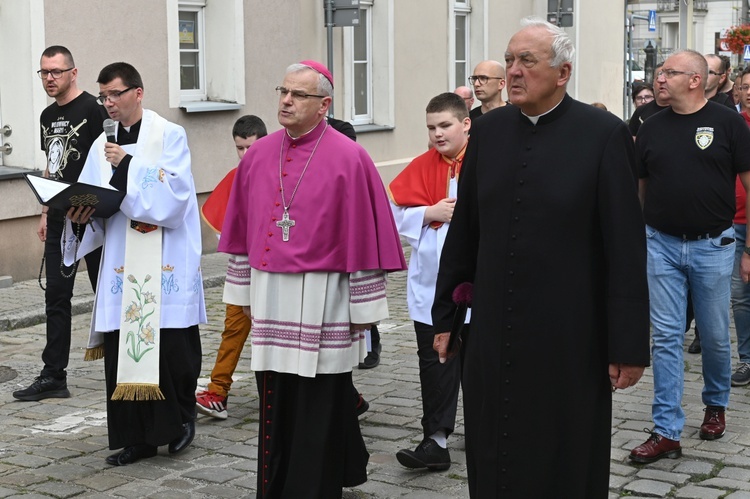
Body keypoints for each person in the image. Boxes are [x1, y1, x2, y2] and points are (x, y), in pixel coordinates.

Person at [431, 18, 650, 497]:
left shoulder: (603, 134)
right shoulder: (487, 133)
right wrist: (445, 313)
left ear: (562, 72)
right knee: (493, 444)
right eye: (509, 60)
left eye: (526, 61)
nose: (512, 71)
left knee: (564, 450)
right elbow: (465, 228)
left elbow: (625, 246)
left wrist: (628, 344)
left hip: (569, 334)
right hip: (492, 326)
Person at [217, 60, 406, 498]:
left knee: (321, 400)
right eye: (283, 91)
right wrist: (241, 292)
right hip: (268, 295)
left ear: (324, 104)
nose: (285, 100)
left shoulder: (350, 157)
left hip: (325, 297)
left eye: (298, 95)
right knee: (275, 401)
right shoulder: (260, 155)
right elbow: (242, 230)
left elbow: (363, 236)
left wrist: (364, 310)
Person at [64, 62, 206, 466]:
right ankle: (137, 437)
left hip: (166, 257)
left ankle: (180, 421)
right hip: (124, 257)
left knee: (172, 347)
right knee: (123, 346)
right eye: (103, 96)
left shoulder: (169, 135)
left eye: (114, 94)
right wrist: (82, 214)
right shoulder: (99, 145)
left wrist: (128, 164)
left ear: (137, 93)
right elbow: (93, 195)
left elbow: (176, 197)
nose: (107, 103)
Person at [630, 50, 750, 464]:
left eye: (669, 73)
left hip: (714, 245)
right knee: (665, 337)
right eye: (660, 72)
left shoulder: (729, 125)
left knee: (716, 336)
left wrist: (749, 247)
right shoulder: (649, 127)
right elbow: (641, 189)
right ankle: (666, 430)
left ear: (696, 80)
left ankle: (715, 404)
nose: (659, 79)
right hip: (660, 244)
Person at [13, 46, 105, 402]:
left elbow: (107, 162)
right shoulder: (47, 116)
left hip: (93, 219)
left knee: (106, 293)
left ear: (73, 72)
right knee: (56, 298)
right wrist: (43, 213)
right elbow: (51, 168)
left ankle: (121, 365)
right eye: (44, 73)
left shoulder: (94, 111)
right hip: (58, 218)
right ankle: (54, 376)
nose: (49, 78)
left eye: (56, 71)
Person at [389, 92, 469, 472]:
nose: (437, 134)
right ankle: (435, 441)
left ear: (465, 123)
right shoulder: (421, 166)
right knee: (435, 364)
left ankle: (496, 436)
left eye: (445, 125)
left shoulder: (487, 162)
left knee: (481, 367)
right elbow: (393, 213)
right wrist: (428, 212)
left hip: (478, 286)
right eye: (431, 128)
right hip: (431, 287)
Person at [196, 115, 267, 420]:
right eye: (239, 148)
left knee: (285, 337)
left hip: (274, 273)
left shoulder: (280, 175)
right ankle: (218, 391)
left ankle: (346, 397)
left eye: (250, 147)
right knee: (233, 331)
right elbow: (224, 230)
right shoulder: (234, 178)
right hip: (241, 271)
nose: (244, 155)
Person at [730, 68, 750, 387]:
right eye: (745, 87)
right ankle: (747, 358)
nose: (749, 91)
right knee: (740, 294)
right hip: (734, 222)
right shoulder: (733, 124)